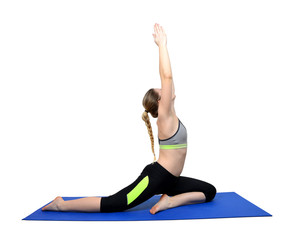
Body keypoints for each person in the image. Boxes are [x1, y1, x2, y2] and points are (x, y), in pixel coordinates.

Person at [42, 23, 216, 214]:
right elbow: (167, 77)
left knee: (209, 191)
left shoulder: (170, 113)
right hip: (156, 178)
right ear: (160, 102)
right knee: (115, 204)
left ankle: (169, 202)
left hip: (171, 180)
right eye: (163, 92)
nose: (168, 90)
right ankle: (61, 204)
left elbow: (169, 82)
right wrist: (162, 45)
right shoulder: (165, 118)